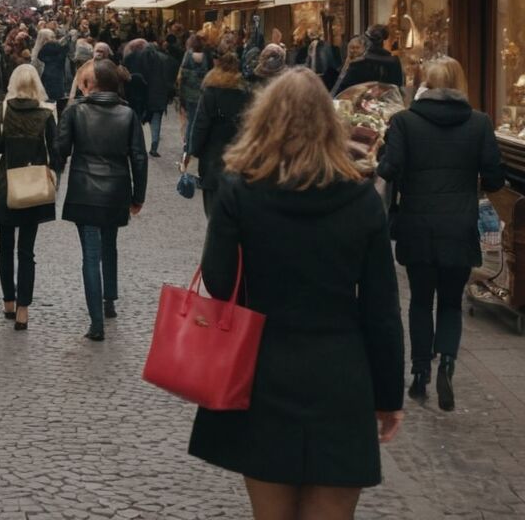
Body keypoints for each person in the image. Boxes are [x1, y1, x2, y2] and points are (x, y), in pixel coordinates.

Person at [188, 68, 404, 520]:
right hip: (340, 375)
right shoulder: (362, 200)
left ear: (263, 120)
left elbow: (219, 282)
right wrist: (388, 397)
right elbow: (382, 308)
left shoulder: (238, 191)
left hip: (262, 370)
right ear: (331, 124)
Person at [377, 57, 504, 411]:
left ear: (426, 85)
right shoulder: (479, 123)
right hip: (459, 225)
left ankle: (420, 374)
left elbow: (389, 168)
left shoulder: (404, 121)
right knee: (450, 302)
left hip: (418, 224)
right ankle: (446, 361)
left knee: (420, 300)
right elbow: (494, 178)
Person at [54, 59, 147, 341]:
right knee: (110, 245)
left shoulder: (75, 111)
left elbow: (60, 150)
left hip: (85, 191)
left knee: (90, 256)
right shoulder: (128, 114)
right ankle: (109, 301)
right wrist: (137, 195)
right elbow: (139, 158)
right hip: (116, 190)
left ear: (89, 85)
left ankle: (96, 323)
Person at [0, 64, 57, 331]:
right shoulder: (46, 114)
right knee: (27, 250)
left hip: (7, 186)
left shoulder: (4, 110)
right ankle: (24, 310)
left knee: (5, 246)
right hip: (34, 185)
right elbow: (56, 150)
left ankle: (9, 302)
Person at [184, 52, 251, 219]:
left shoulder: (210, 93)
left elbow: (200, 125)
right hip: (237, 157)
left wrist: (193, 150)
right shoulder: (245, 94)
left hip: (212, 157)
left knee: (212, 211)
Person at [333, 24, 404, 94]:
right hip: (391, 103)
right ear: (384, 41)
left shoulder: (358, 63)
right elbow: (399, 90)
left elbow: (339, 91)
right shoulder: (394, 62)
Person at [136, 39, 174, 157]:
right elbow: (169, 78)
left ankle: (141, 144)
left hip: (144, 95)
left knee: (141, 120)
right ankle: (153, 146)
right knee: (156, 120)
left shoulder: (139, 58)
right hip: (159, 95)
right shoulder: (165, 59)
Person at [177, 34, 211, 152]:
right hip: (201, 93)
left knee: (190, 120)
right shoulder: (205, 57)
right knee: (196, 120)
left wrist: (180, 94)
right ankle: (194, 143)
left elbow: (182, 76)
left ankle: (188, 145)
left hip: (188, 94)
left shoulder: (188, 55)